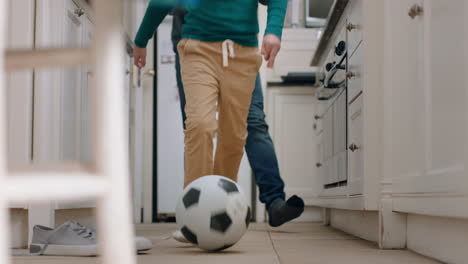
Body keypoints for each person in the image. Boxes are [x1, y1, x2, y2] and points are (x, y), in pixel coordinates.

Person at [134, 0, 303, 238]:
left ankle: (221, 205)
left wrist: (273, 30)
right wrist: (141, 40)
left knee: (234, 135)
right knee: (199, 125)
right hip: (197, 46)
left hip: (242, 51)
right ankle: (192, 216)